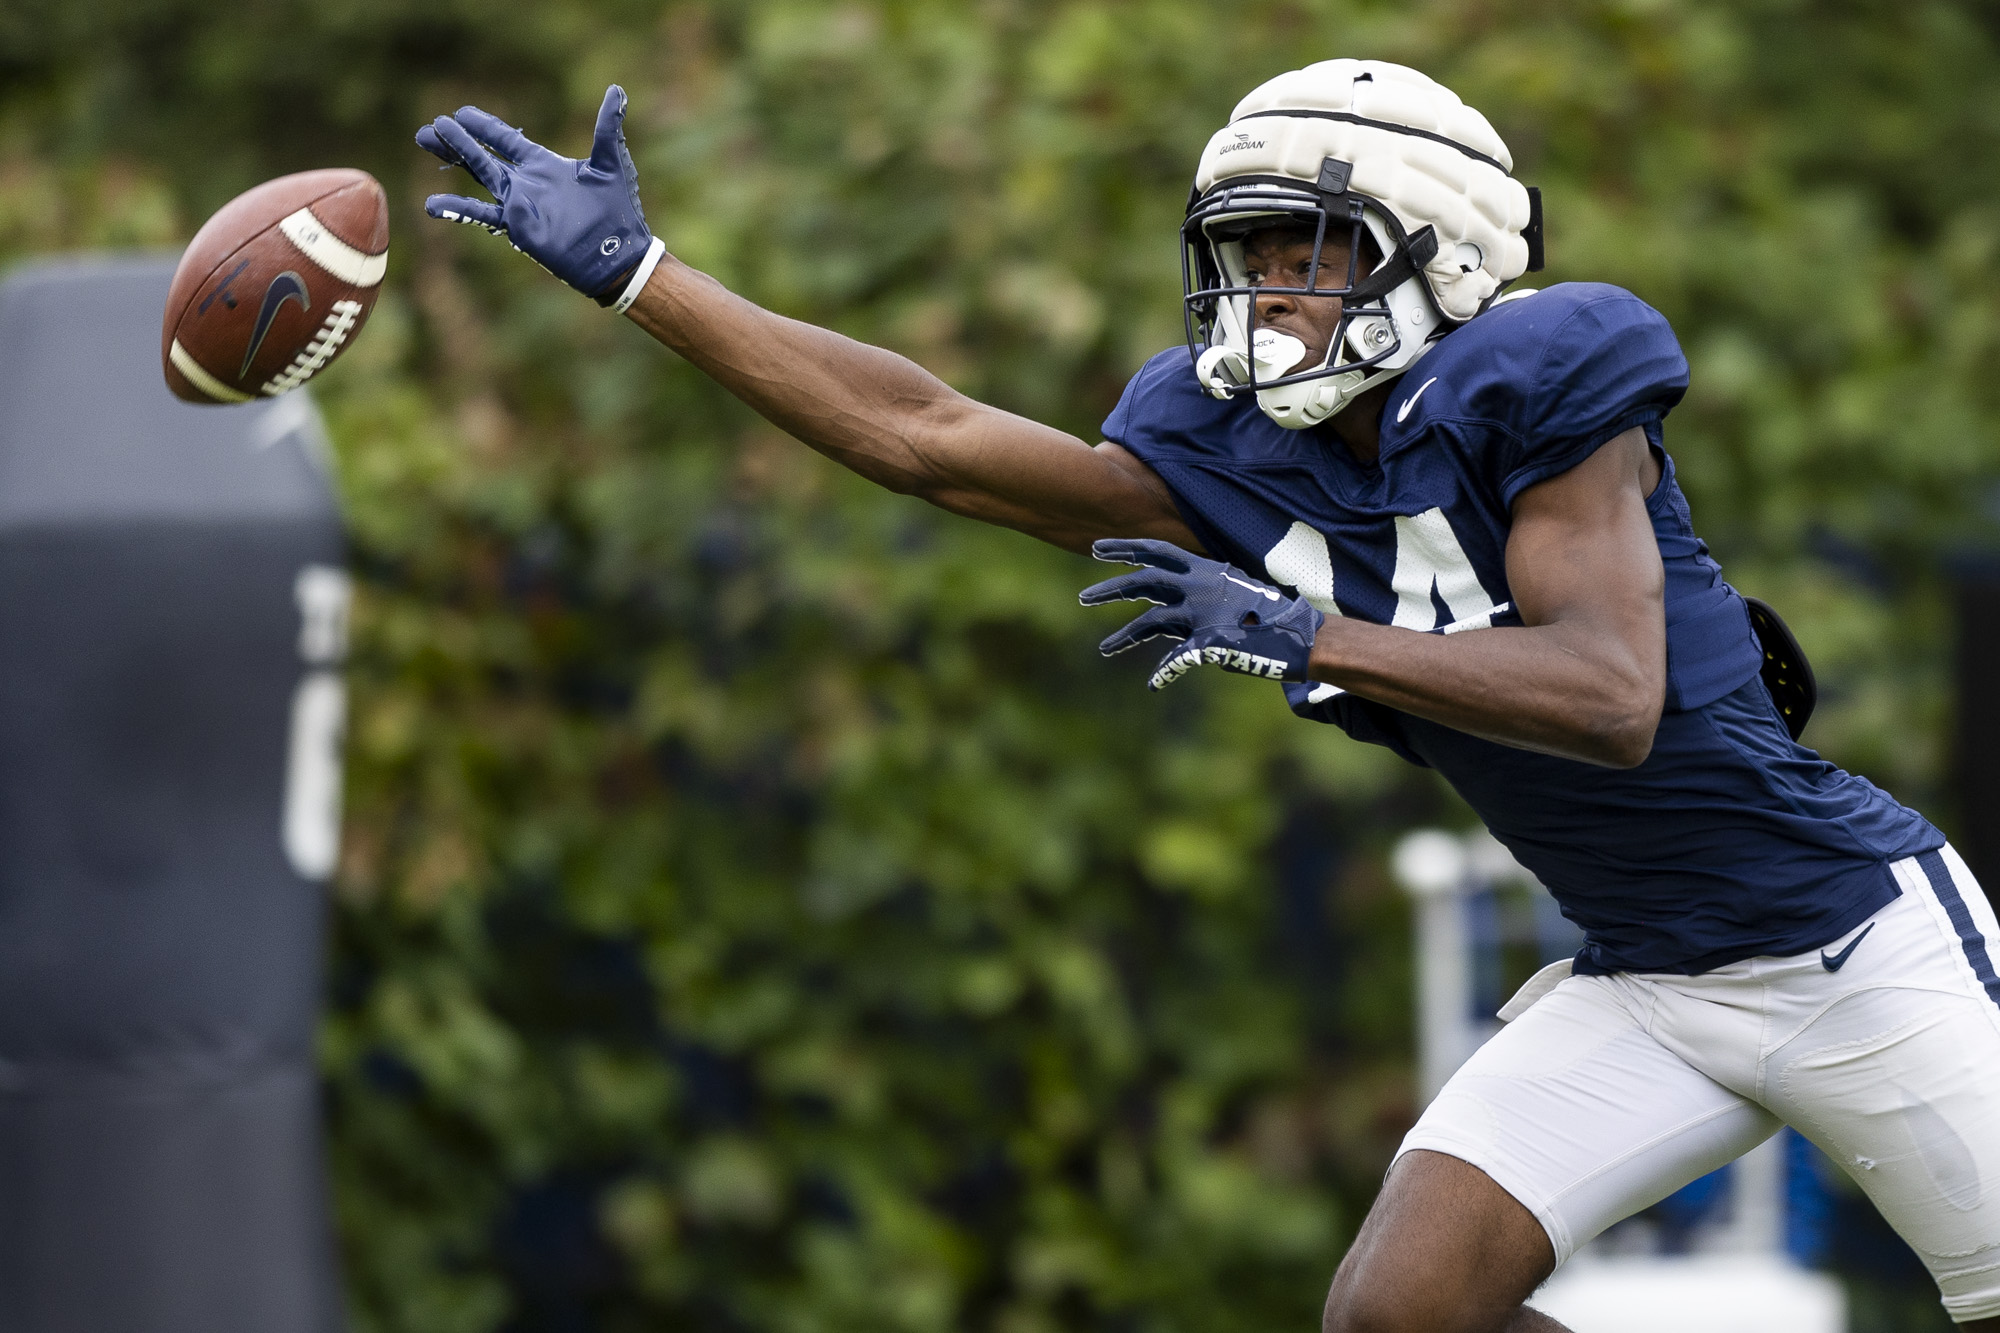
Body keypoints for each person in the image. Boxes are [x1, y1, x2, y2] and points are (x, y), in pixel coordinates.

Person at [417, 59, 2000, 1332]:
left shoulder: (1547, 374)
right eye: (1245, 254)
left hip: (1847, 933)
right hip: (1646, 971)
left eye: (1308, 251)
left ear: (1433, 247)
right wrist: (646, 281)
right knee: (1398, 1314)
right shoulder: (1224, 449)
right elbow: (930, 434)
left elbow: (1607, 696)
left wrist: (1305, 636)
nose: (1269, 293)